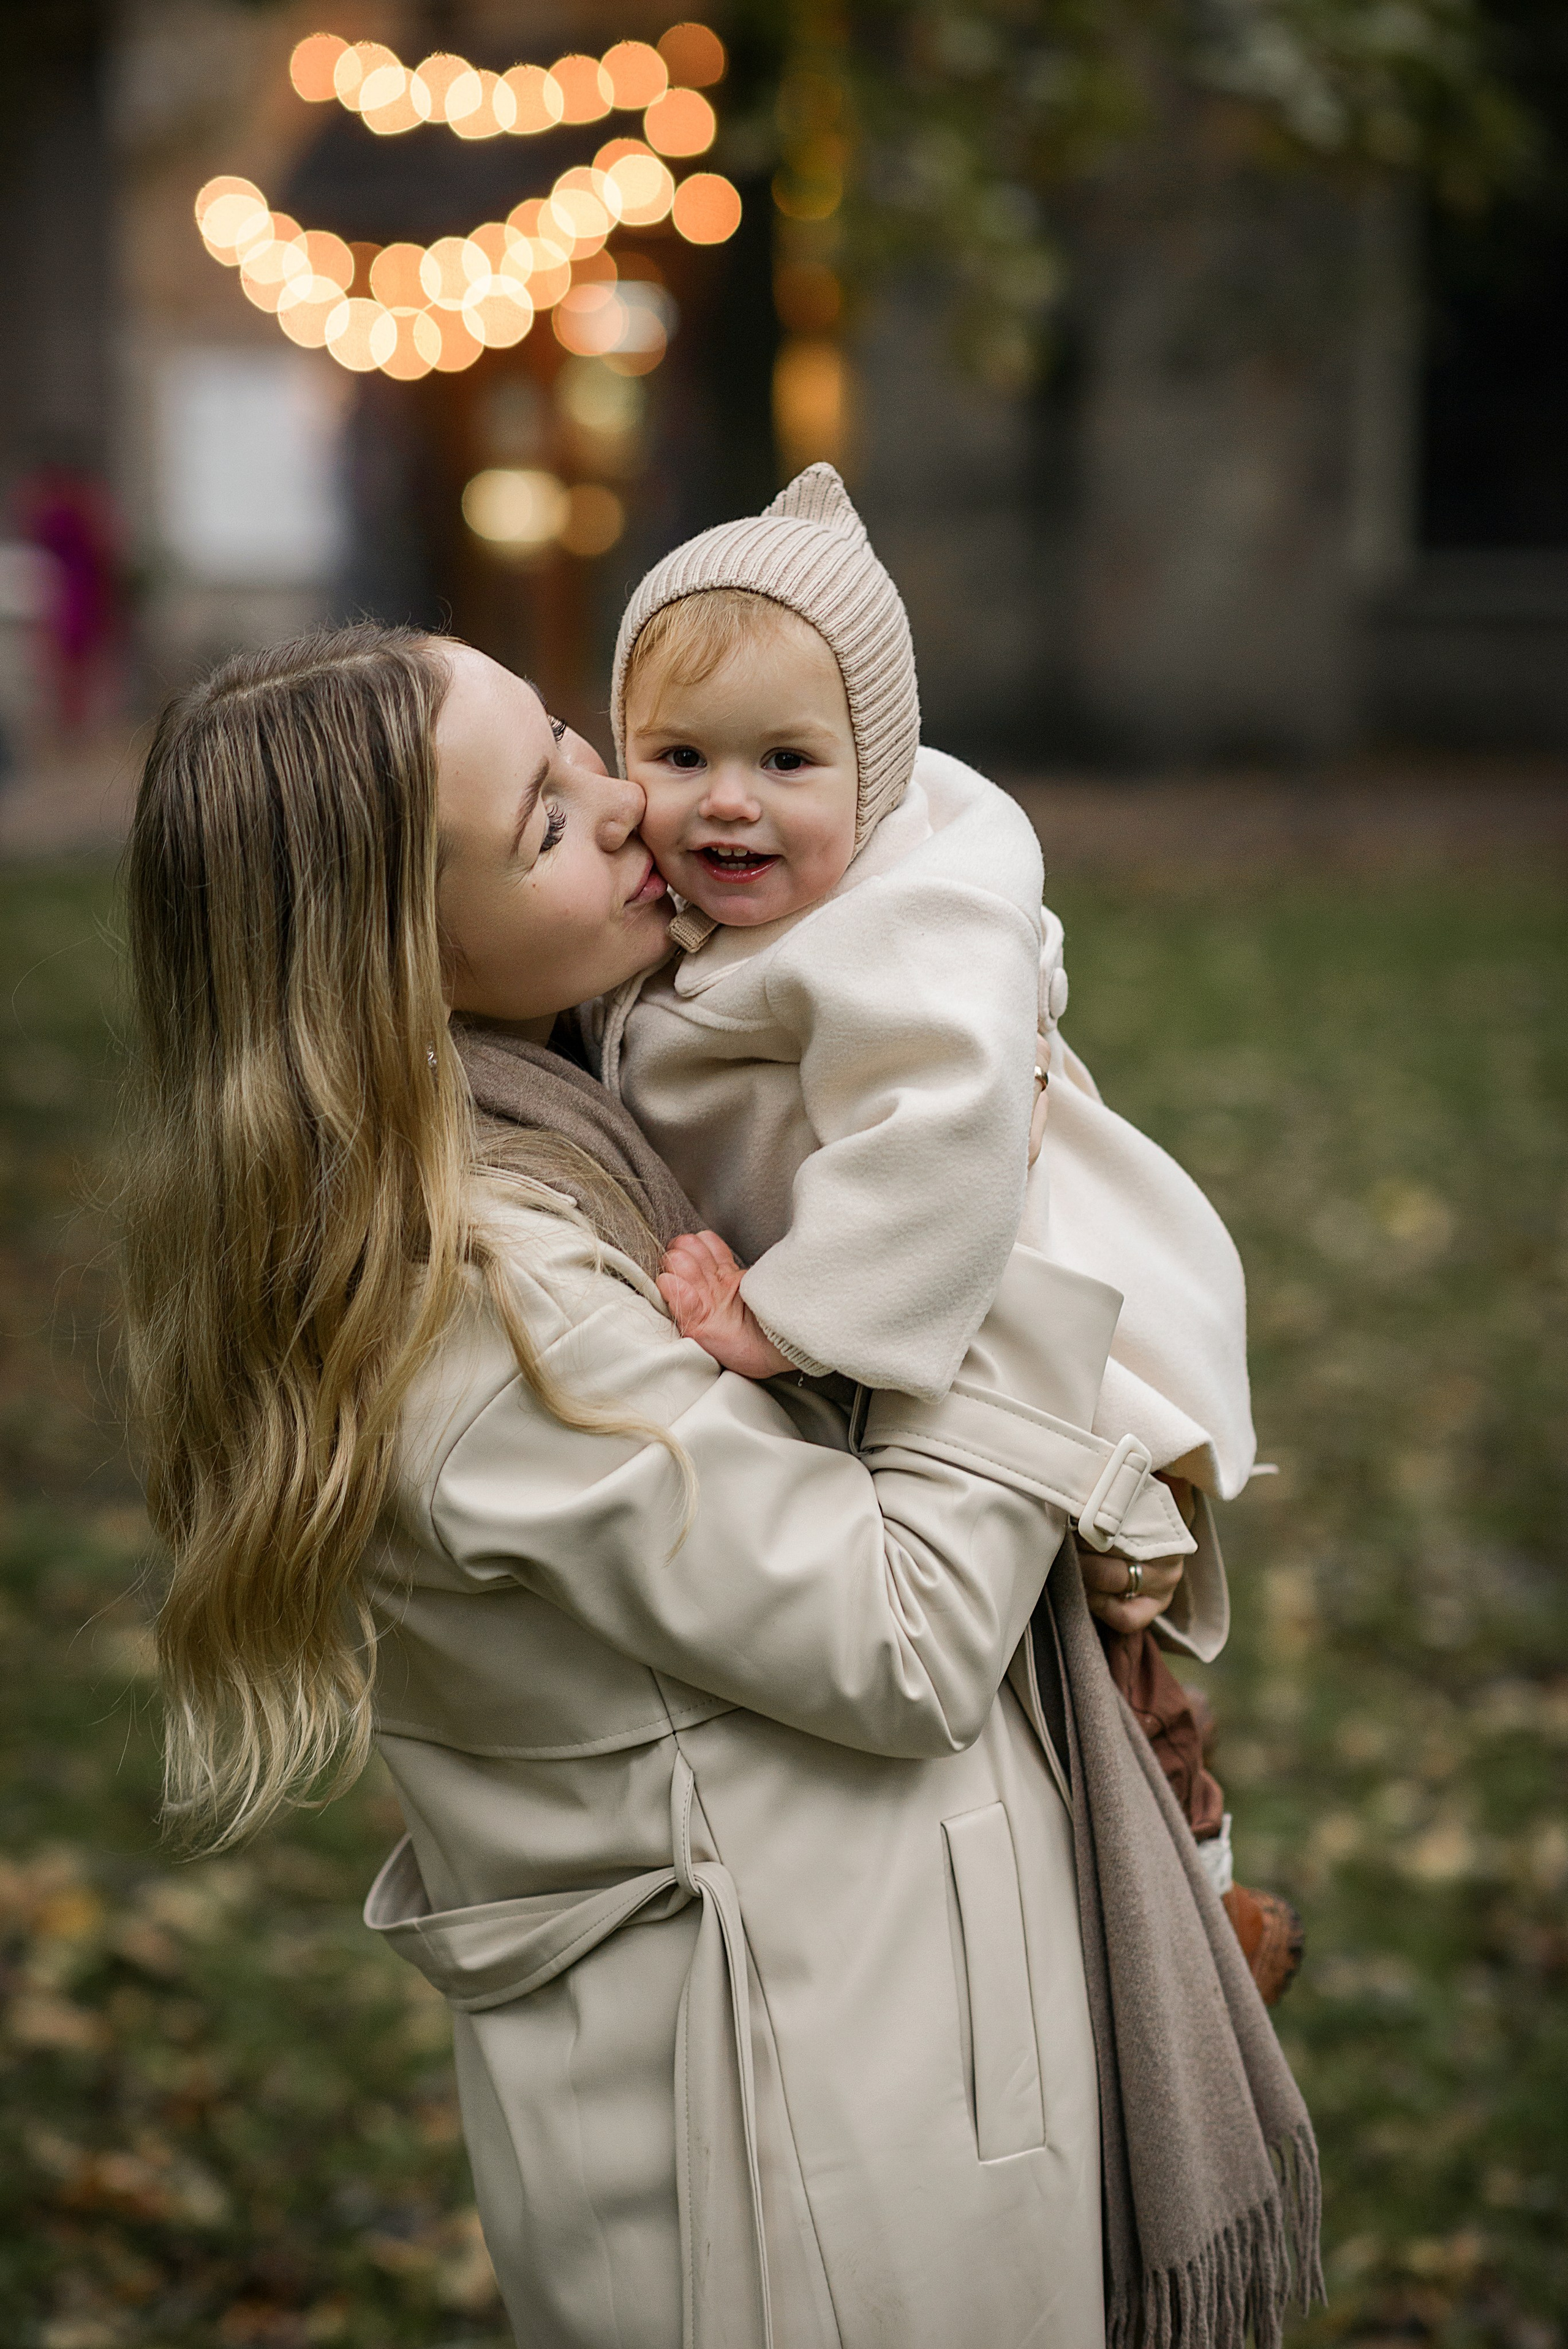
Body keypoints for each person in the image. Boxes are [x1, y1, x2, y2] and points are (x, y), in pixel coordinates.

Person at [122, 624, 1318, 2349]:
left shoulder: (590, 1098)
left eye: (567, 742)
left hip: (880, 2036)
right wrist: (981, 1222)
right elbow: (900, 1634)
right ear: (389, 961)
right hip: (803, 2157)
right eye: (544, 821)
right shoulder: (465, 1306)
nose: (630, 805)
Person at [600, 464, 1298, 1990]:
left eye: (785, 759)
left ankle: (1196, 1911)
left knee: (1111, 1632)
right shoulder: (739, 913)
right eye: (679, 753)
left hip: (1047, 1321)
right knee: (1062, 1655)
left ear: (876, 770)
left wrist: (776, 1325)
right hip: (943, 1325)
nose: (728, 798)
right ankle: (1168, 1902)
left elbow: (941, 1143)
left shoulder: (914, 931)